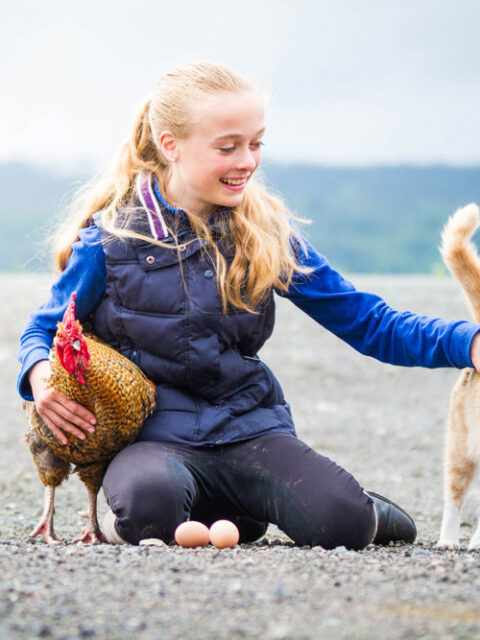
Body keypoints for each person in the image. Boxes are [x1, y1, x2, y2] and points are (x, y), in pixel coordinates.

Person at [17, 61, 480, 550]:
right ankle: (208, 517)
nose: (247, 161)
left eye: (256, 143)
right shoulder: (109, 241)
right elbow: (40, 332)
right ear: (170, 145)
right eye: (228, 147)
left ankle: (348, 505)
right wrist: (41, 377)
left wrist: (468, 343)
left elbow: (369, 322)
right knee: (150, 507)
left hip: (250, 429)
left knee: (344, 525)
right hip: (154, 441)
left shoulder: (267, 236)